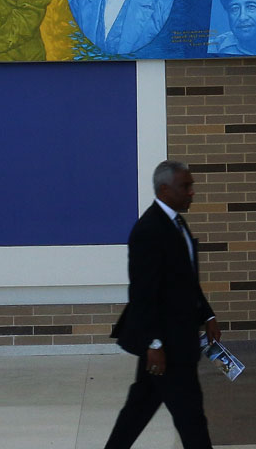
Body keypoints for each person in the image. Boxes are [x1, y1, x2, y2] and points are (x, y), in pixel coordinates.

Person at [103, 160, 218, 449]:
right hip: (168, 345)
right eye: (186, 186)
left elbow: (185, 280)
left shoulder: (176, 222)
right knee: (192, 419)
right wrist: (154, 345)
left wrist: (208, 314)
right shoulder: (148, 230)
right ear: (165, 190)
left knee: (138, 410)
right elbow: (143, 294)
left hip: (177, 339)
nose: (192, 192)